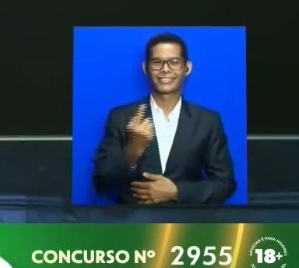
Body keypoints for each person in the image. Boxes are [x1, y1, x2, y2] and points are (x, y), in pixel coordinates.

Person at [91, 32, 236, 205]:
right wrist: (133, 150)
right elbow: (101, 182)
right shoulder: (120, 117)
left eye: (174, 62)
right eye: (157, 62)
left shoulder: (208, 121)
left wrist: (177, 192)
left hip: (186, 220)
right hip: (133, 219)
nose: (165, 69)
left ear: (187, 68)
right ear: (145, 67)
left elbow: (225, 183)